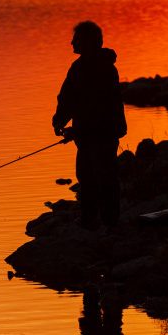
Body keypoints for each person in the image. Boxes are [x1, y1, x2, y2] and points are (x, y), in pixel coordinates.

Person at [52, 21, 127, 228]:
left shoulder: (104, 69)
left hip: (103, 132)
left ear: (87, 42)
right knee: (86, 176)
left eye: (76, 39)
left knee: (104, 177)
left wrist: (75, 128)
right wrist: (60, 120)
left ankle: (108, 222)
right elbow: (67, 97)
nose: (71, 43)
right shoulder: (79, 67)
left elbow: (97, 105)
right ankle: (90, 219)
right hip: (86, 133)